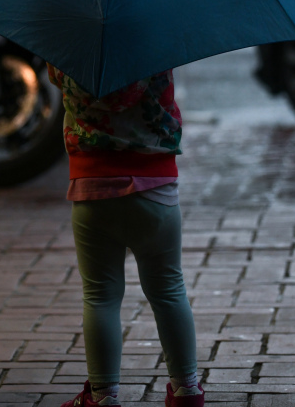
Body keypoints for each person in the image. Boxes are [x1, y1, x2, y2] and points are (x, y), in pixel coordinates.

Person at [48, 66, 206, 407]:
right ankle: (187, 389)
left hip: (92, 184)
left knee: (101, 296)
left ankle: (103, 395)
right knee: (168, 289)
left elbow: (56, 75)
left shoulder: (72, 44)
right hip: (156, 186)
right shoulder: (156, 40)